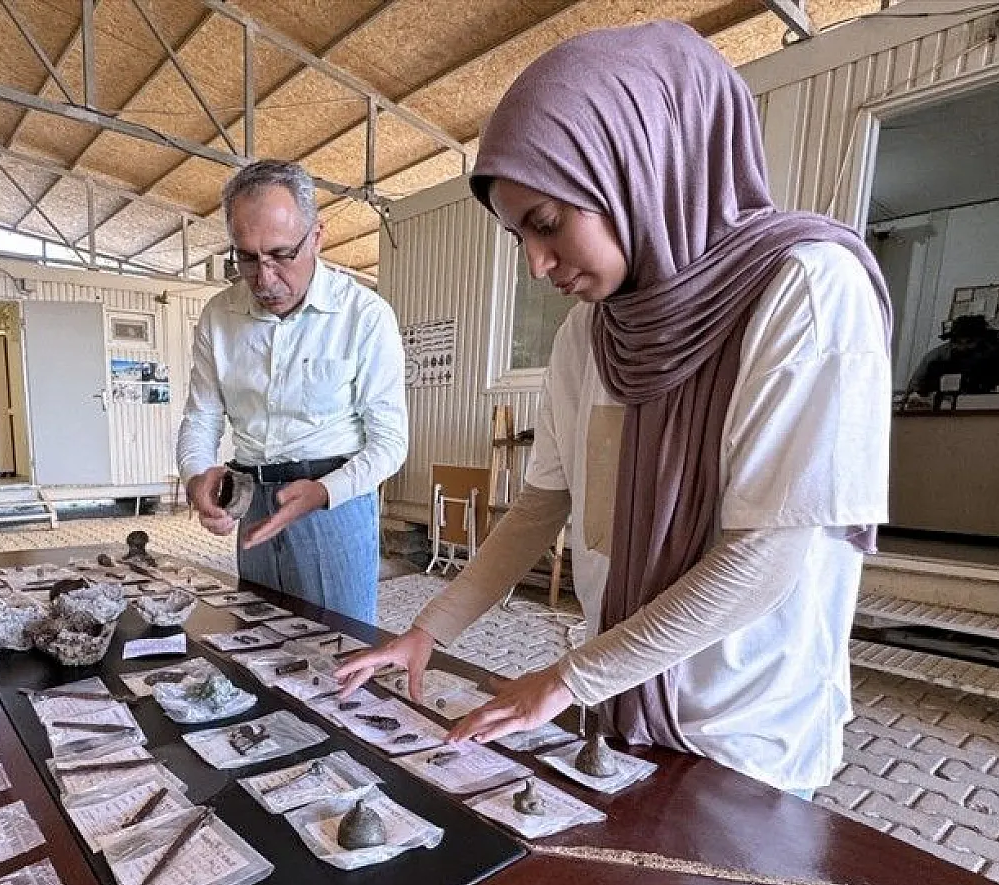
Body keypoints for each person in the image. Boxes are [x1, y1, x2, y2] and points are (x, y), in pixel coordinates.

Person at [336, 22, 892, 797]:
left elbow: (768, 557)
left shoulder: (807, 290)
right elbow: (541, 505)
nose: (536, 264)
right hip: (624, 701)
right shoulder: (592, 331)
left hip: (743, 725)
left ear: (639, 168)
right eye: (518, 237)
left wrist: (567, 678)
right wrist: (429, 630)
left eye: (547, 223)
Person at [178, 159, 408, 624]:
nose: (264, 279)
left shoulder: (364, 316)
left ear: (317, 236)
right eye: (246, 257)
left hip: (333, 504)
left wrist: (325, 492)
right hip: (251, 499)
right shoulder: (219, 317)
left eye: (281, 255)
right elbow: (201, 418)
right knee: (254, 644)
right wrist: (196, 477)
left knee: (338, 653)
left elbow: (390, 443)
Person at [903, 314, 999, 407]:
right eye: (958, 342)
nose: (963, 347)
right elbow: (914, 388)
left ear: (983, 340)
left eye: (969, 341)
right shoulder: (939, 356)